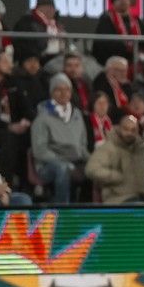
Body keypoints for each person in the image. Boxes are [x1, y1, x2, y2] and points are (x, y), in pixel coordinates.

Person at [30, 74, 91, 204]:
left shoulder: (77, 115)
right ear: (52, 92)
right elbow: (40, 151)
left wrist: (94, 160)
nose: (64, 93)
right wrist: (65, 162)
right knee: (63, 168)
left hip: (76, 161)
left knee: (97, 168)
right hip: (48, 166)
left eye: (67, 89)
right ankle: (62, 209)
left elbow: (82, 146)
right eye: (59, 89)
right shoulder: (42, 117)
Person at [87, 115, 144, 204]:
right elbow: (91, 169)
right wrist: (116, 177)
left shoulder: (140, 150)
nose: (129, 133)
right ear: (119, 128)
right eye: (126, 129)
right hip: (118, 198)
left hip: (142, 196)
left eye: (133, 130)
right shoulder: (109, 148)